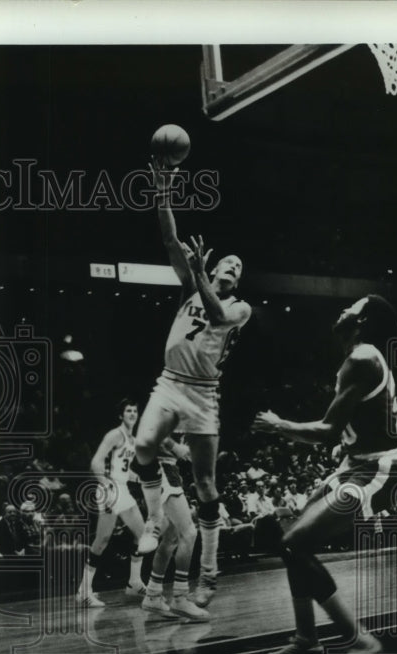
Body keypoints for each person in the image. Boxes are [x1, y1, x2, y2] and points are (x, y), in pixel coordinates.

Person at [252, 294, 397, 654]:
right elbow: (355, 425)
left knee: (295, 543)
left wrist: (279, 425)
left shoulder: (362, 359)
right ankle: (306, 637)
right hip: (357, 463)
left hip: (380, 470)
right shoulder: (358, 357)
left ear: (363, 321)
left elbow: (326, 431)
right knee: (290, 540)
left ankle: (360, 641)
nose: (343, 310)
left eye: (351, 307)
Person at [132, 159, 252, 608]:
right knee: (144, 445)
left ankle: (210, 576)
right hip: (169, 382)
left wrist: (201, 272)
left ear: (235, 281)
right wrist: (163, 190)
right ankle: (153, 519)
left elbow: (217, 315)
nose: (232, 268)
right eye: (227, 262)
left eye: (237, 268)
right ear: (216, 265)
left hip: (203, 394)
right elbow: (168, 237)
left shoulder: (240, 308)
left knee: (207, 486)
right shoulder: (189, 285)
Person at [75, 399, 154, 607]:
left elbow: (124, 471)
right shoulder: (114, 435)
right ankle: (84, 591)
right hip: (110, 489)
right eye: (128, 410)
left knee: (141, 535)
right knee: (103, 540)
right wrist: (105, 483)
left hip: (121, 488)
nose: (132, 414)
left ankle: (134, 583)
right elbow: (96, 462)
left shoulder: (132, 439)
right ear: (121, 415)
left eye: (135, 410)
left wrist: (143, 479)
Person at [140, 436, 209, 621]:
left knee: (171, 537)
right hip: (160, 469)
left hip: (166, 469)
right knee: (189, 533)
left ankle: (153, 595)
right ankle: (180, 597)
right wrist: (176, 446)